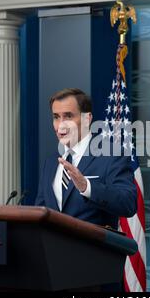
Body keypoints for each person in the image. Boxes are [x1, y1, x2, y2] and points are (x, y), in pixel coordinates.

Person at [34, 88, 137, 229]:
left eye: (68, 116)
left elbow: (128, 204)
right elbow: (39, 212)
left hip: (93, 249)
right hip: (53, 248)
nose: (60, 125)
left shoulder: (112, 154)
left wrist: (86, 187)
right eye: (56, 117)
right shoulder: (51, 162)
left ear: (87, 119)